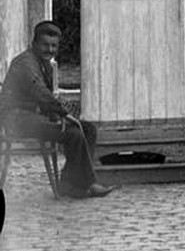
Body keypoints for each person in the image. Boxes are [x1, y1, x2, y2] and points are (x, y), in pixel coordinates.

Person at [0, 21, 115, 199]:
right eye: (45, 45)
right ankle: (88, 184)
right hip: (16, 119)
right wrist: (64, 114)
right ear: (34, 43)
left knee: (89, 129)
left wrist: (56, 114)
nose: (50, 50)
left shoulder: (44, 63)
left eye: (54, 46)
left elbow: (44, 100)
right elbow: (40, 92)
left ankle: (70, 184)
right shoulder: (25, 63)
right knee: (74, 133)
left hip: (34, 116)